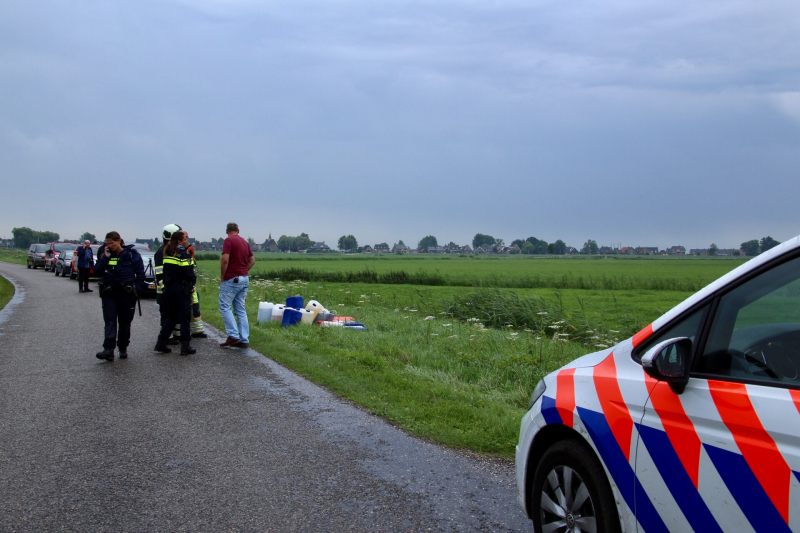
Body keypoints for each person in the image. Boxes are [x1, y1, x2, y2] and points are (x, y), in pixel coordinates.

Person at [93, 231, 145, 361]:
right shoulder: (104, 254)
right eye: (107, 244)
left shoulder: (131, 255)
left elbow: (140, 274)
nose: (110, 246)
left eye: (112, 243)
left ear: (119, 241)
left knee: (125, 322)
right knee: (110, 321)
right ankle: (108, 349)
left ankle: (123, 347)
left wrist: (137, 290)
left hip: (126, 294)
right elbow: (97, 271)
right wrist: (105, 257)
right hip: (109, 293)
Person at [154, 230, 197, 356]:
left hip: (169, 289)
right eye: (185, 239)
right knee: (184, 318)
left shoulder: (167, 253)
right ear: (179, 241)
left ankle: (161, 343)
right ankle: (185, 346)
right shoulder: (183, 254)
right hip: (181, 290)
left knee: (171, 317)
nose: (187, 241)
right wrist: (191, 284)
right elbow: (189, 273)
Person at [218, 222, 255, 348]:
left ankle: (233, 335)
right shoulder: (244, 242)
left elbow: (225, 260)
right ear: (238, 230)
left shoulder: (228, 241)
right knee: (240, 309)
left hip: (232, 279)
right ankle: (244, 338)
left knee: (224, 306)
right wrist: (244, 271)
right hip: (244, 278)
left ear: (226, 231)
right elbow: (252, 261)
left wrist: (223, 275)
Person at [155, 224, 182, 346]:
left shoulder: (173, 250)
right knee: (166, 315)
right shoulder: (162, 252)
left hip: (172, 290)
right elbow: (160, 274)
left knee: (175, 314)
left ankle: (176, 335)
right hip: (165, 291)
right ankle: (167, 337)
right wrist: (165, 289)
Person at [185, 238, 207, 338]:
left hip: (191, 285)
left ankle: (197, 330)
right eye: (185, 237)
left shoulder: (189, 249)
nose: (187, 239)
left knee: (195, 307)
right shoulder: (178, 251)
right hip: (184, 285)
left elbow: (193, 265)